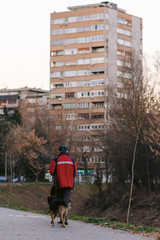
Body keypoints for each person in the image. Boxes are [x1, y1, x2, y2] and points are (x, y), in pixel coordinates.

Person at [49, 145, 77, 225]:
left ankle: (59, 217)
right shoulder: (72, 160)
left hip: (59, 184)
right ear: (66, 151)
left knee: (59, 201)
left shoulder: (55, 160)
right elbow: (75, 173)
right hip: (69, 184)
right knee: (67, 202)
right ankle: (65, 219)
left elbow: (51, 171)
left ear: (59, 151)